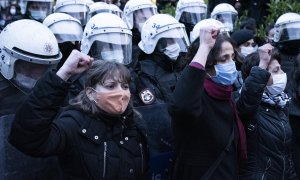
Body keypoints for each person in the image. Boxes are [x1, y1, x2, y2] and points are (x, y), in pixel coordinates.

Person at [9, 50, 149, 180]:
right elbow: (27, 139)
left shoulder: (133, 122)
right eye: (111, 86)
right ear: (90, 93)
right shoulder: (74, 124)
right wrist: (63, 74)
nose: (121, 92)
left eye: (125, 87)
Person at [168, 25, 246, 180]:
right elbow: (181, 106)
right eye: (224, 58)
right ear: (208, 64)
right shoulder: (196, 95)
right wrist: (204, 47)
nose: (231, 64)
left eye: (232, 57)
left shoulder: (226, 94)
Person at [0, 19, 62, 180]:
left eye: (44, 68)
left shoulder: (53, 91)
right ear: (5, 59)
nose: (36, 75)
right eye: (29, 67)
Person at [133, 13, 190, 179]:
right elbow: (156, 116)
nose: (174, 46)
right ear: (153, 44)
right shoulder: (144, 74)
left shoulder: (184, 65)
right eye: (167, 41)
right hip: (164, 147)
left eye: (175, 40)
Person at [236, 45, 297, 179]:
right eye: (275, 70)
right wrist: (263, 62)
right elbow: (249, 96)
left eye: (280, 68)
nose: (282, 74)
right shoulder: (249, 105)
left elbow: (286, 155)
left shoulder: (280, 104)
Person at [123, 0, 157, 69]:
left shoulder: (157, 38)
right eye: (143, 19)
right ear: (131, 21)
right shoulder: (129, 47)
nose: (148, 23)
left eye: (150, 18)